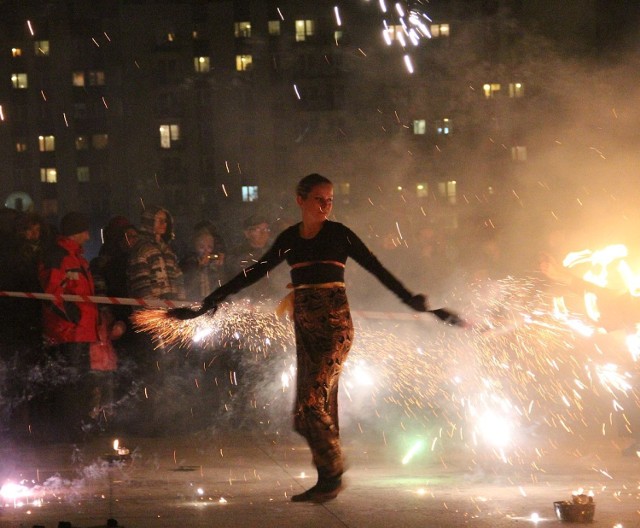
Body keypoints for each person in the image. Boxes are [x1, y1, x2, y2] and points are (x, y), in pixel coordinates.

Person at [194, 173, 429, 502]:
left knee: (311, 402)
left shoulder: (339, 235)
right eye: (319, 198)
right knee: (306, 413)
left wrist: (408, 298)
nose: (326, 205)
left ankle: (333, 472)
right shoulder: (291, 238)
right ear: (300, 200)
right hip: (305, 329)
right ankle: (326, 478)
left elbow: (375, 267)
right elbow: (258, 269)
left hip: (335, 328)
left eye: (330, 199)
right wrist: (218, 295)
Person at [39, 211, 98, 441]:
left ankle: (78, 427)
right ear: (77, 232)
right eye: (85, 229)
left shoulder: (77, 258)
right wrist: (69, 316)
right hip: (67, 331)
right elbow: (51, 293)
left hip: (80, 330)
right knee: (70, 383)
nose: (88, 234)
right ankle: (68, 430)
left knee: (80, 381)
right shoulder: (60, 257)